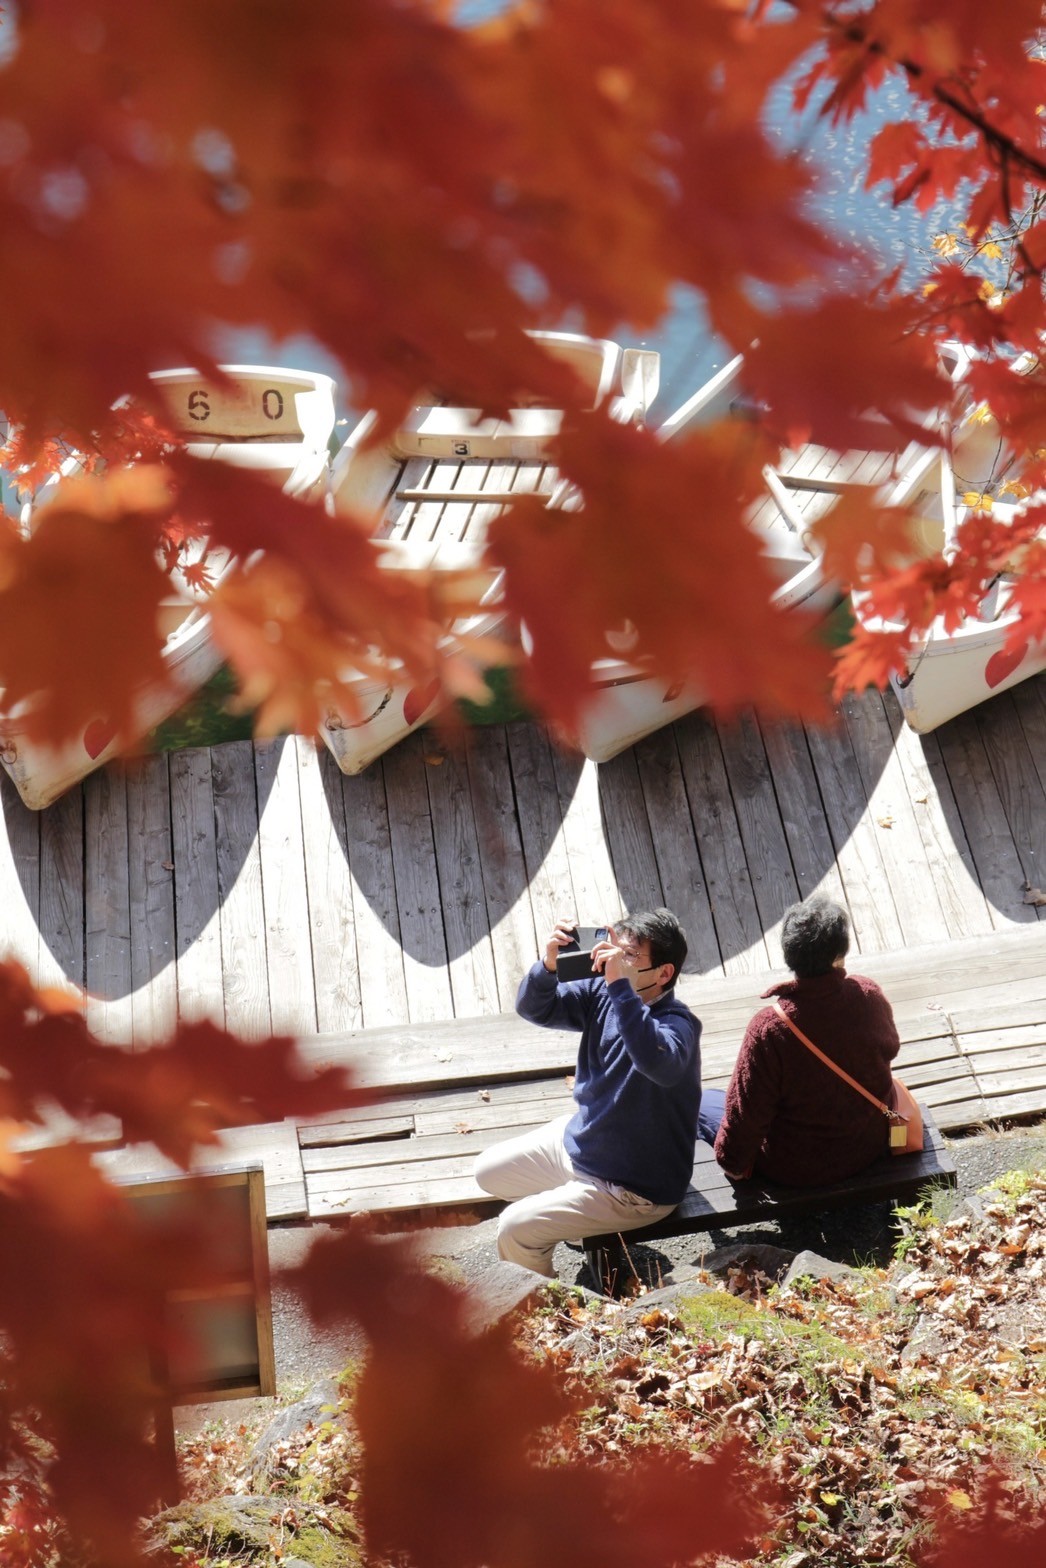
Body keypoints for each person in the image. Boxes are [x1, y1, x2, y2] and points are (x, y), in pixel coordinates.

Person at [474, 908, 701, 1277]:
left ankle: (546, 1305)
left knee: (514, 1229)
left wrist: (621, 990)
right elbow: (535, 1008)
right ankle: (574, 1217)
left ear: (664, 973)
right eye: (615, 948)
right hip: (584, 1144)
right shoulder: (604, 993)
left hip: (632, 1188)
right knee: (487, 1171)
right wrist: (547, 966)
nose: (613, 961)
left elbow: (654, 1060)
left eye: (628, 956)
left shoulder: (677, 1025)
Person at [697, 894, 900, 1185]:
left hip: (798, 1166)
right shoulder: (867, 994)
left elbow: (746, 1114)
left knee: (704, 1102)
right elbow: (891, 1048)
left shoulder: (769, 1028)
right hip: (868, 1145)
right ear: (840, 953)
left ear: (789, 954)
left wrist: (733, 1164)